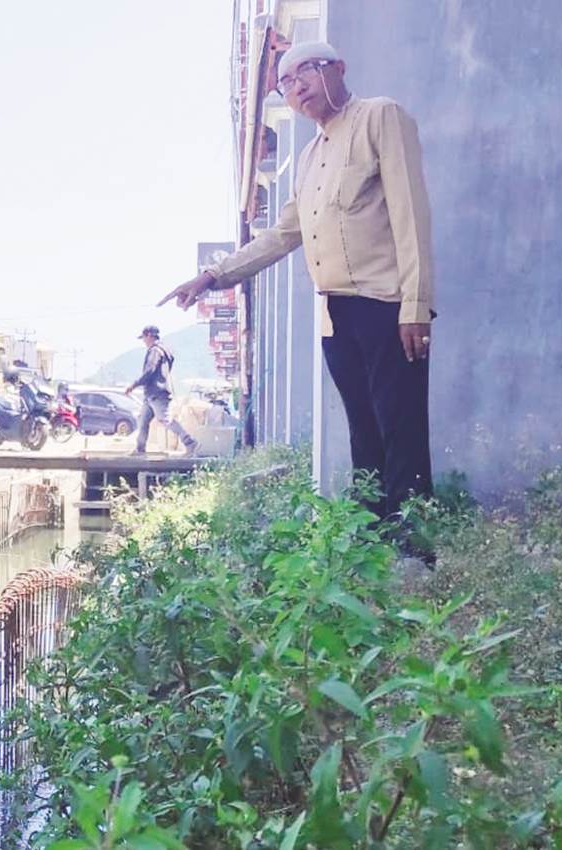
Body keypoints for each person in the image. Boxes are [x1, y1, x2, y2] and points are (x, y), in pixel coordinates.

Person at [159, 40, 436, 550]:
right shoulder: (308, 157)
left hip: (388, 304)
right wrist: (214, 275)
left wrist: (416, 306)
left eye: (304, 73)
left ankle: (416, 548)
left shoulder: (380, 117)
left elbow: (411, 213)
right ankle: (371, 543)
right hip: (336, 314)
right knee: (363, 432)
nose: (297, 88)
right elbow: (283, 234)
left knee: (401, 427)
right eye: (286, 84)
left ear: (337, 68)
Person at [124, 325, 200, 456]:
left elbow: (149, 371)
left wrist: (134, 385)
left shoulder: (155, 351)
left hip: (157, 392)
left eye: (144, 338)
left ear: (149, 335)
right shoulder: (164, 351)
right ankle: (140, 449)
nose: (144, 341)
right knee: (143, 420)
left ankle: (190, 442)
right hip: (151, 393)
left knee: (165, 419)